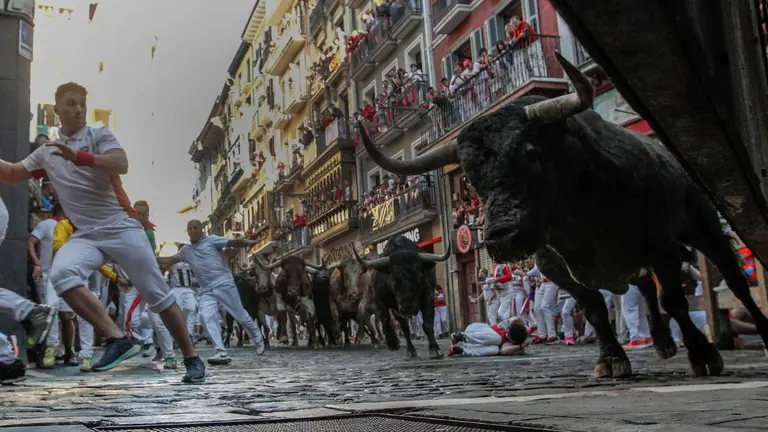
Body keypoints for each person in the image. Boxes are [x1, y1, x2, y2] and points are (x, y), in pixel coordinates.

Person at [0, 82, 204, 383]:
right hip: (86, 235)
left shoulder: (99, 135)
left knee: (157, 295)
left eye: (82, 103)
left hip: (122, 226)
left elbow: (121, 163)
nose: (79, 109)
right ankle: (116, 337)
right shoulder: (47, 152)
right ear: (57, 110)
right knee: (61, 274)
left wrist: (79, 157)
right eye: (71, 103)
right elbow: (12, 174)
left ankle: (192, 358)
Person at [157, 220, 266, 365]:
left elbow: (232, 242)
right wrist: (149, 259)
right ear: (187, 231)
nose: (193, 231)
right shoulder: (186, 251)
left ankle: (257, 337)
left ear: (201, 229)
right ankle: (220, 351)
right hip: (206, 289)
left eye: (195, 228)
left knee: (239, 315)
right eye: (190, 228)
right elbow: (170, 259)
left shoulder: (212, 240)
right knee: (205, 316)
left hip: (224, 283)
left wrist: (248, 241)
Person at [448, 317, 529, 357]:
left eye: (509, 336)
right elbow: (516, 318)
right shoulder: (506, 326)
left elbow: (503, 351)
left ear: (513, 341)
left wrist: (521, 346)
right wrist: (520, 325)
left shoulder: (512, 345)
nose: (506, 334)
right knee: (498, 339)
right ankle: (461, 336)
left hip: (474, 345)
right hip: (474, 330)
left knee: (496, 350)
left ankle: (461, 350)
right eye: (507, 332)